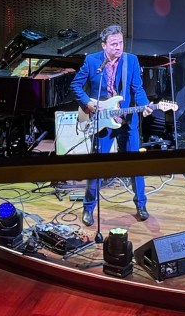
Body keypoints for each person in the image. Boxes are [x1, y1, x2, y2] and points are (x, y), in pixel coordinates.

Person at [70, 25, 154, 226]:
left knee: (135, 165)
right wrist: (88, 104)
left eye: (121, 43)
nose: (118, 47)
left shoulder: (131, 60)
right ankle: (88, 207)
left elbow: (137, 88)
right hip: (102, 120)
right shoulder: (92, 61)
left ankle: (141, 204)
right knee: (97, 166)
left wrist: (145, 106)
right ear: (104, 45)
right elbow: (75, 85)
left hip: (127, 121)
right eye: (114, 44)